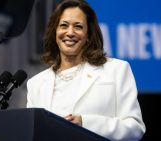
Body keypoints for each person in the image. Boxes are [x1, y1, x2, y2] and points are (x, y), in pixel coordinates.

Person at [26, 0, 146, 140]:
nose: (70, 32)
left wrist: (85, 122)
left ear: (88, 35)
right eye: (64, 25)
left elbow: (135, 128)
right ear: (55, 32)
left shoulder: (116, 70)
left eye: (78, 26)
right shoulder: (36, 84)